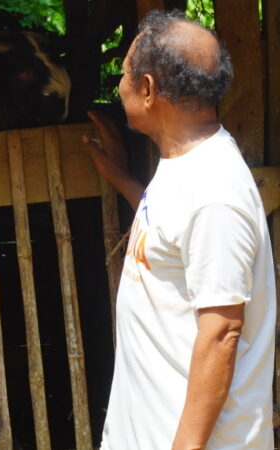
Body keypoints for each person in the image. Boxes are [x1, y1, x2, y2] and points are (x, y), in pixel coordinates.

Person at [83, 10, 276, 450]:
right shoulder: (186, 166)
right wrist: (121, 179)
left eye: (126, 73)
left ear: (148, 90)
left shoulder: (213, 193)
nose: (119, 84)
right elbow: (171, 237)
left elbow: (222, 332)